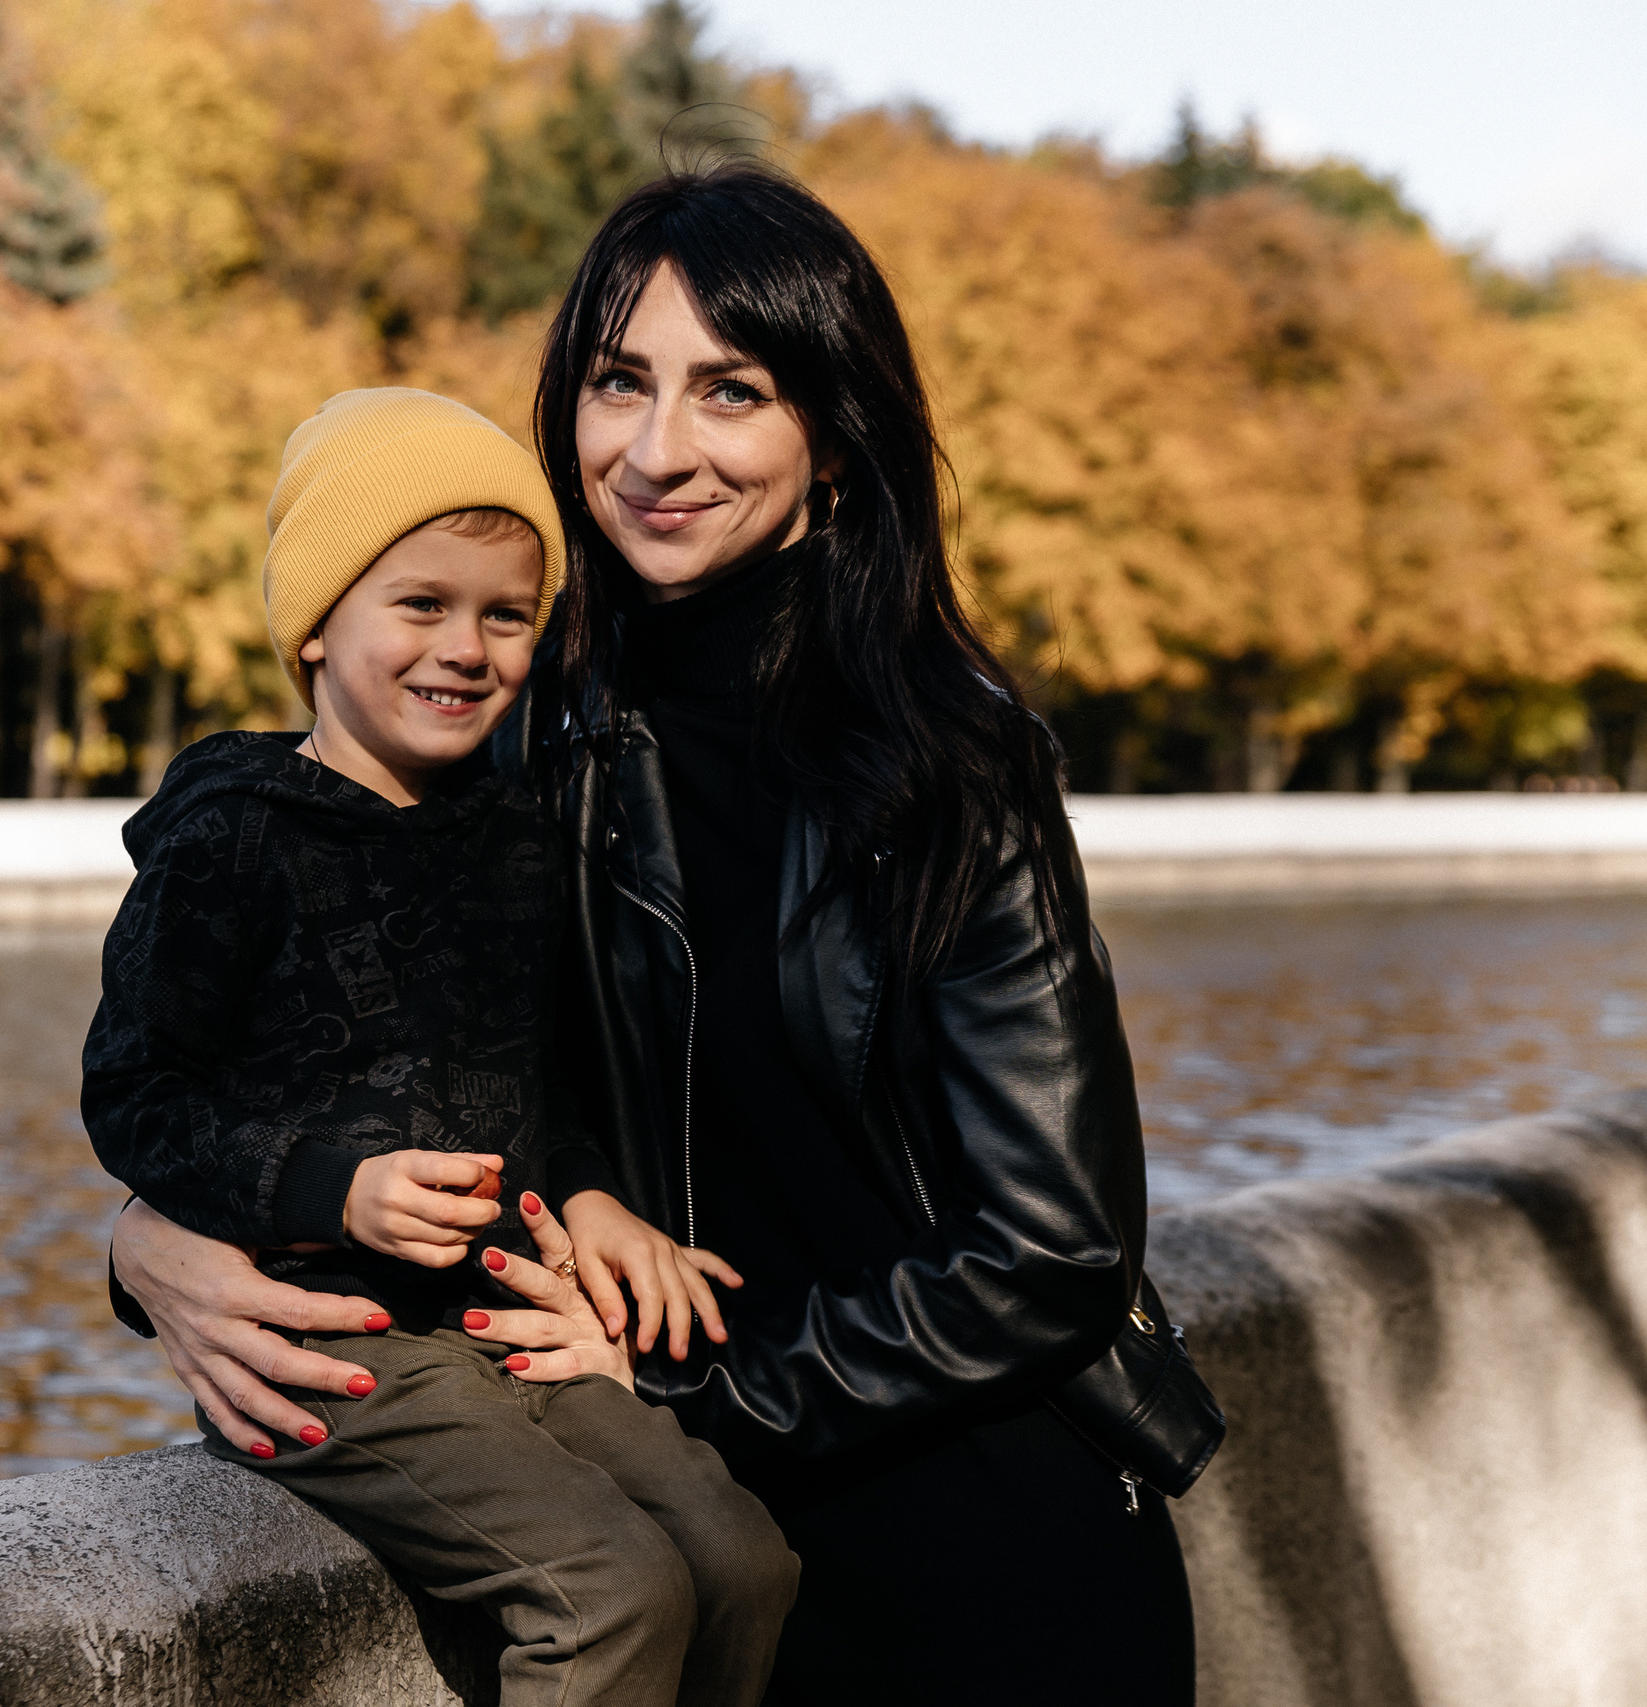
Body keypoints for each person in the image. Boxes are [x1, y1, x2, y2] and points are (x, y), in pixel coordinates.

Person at [108, 169, 1197, 1706]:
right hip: (682, 1524)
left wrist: (707, 1386)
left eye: (731, 391)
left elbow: (1058, 1250)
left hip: (969, 1554)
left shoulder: (954, 763)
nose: (657, 450)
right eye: (620, 383)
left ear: (834, 440)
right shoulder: (510, 735)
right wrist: (154, 1242)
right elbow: (302, 1049)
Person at [82, 387, 801, 1707]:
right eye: (420, 605)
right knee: (611, 1591)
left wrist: (592, 1201)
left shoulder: (516, 835)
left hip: (506, 1315)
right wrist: (334, 1189)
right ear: (313, 628)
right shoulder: (233, 836)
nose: (466, 647)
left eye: (505, 614)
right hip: (338, 1342)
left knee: (743, 1560)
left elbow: (538, 1091)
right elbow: (135, 1100)